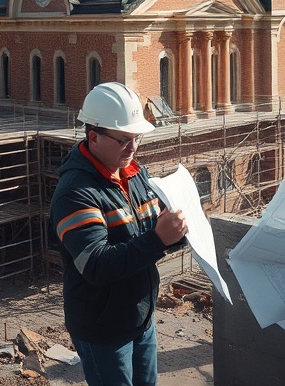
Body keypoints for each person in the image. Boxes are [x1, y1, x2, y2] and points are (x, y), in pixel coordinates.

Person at [49, 82, 188, 386]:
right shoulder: (75, 193)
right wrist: (158, 239)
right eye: (124, 139)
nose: (133, 147)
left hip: (140, 317)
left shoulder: (135, 174)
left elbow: (151, 228)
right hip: (104, 329)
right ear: (94, 137)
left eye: (136, 138)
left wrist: (180, 231)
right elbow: (96, 265)